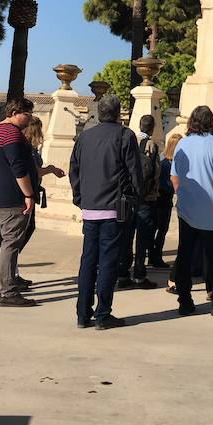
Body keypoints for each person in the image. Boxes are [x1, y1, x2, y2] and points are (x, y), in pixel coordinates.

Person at [69, 95, 142, 330]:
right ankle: (102, 314)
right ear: (118, 112)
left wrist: (80, 198)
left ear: (99, 112)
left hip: (91, 208)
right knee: (108, 262)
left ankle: (82, 314)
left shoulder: (85, 136)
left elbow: (74, 170)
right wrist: (134, 199)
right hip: (114, 209)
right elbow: (134, 171)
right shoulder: (124, 135)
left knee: (88, 261)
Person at [171, 105, 213, 317]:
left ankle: (185, 301)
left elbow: (174, 177)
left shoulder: (181, 144)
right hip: (211, 210)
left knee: (184, 255)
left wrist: (183, 194)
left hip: (187, 210)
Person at [0, 98, 38, 307]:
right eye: (27, 114)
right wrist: (29, 195)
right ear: (14, 112)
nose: (29, 118)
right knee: (10, 245)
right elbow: (18, 169)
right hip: (11, 200)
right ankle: (8, 292)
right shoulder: (12, 135)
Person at [15, 116, 65, 287]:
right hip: (26, 195)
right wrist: (50, 169)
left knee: (25, 230)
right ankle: (11, 271)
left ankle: (12, 269)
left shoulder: (29, 148)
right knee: (21, 233)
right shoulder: (28, 149)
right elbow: (34, 171)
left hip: (31, 193)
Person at [118, 114, 159, 289]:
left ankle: (122, 273)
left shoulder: (127, 140)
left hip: (126, 197)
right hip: (146, 199)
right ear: (152, 128)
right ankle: (140, 275)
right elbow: (155, 171)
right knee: (143, 238)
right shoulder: (151, 145)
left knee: (125, 236)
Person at [151, 132, 179, 269]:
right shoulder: (172, 164)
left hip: (155, 198)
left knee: (153, 229)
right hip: (164, 198)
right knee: (162, 230)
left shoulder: (161, 158)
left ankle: (152, 254)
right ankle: (156, 256)